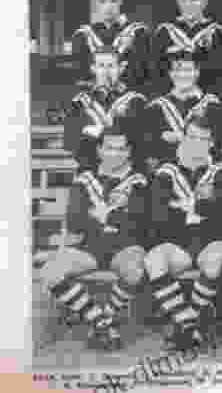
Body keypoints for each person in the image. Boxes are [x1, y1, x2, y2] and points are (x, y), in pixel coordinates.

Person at [39, 125, 148, 351]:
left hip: (125, 246)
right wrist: (117, 216)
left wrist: (101, 215)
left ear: (128, 151)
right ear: (99, 150)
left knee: (136, 270)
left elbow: (139, 220)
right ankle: (102, 322)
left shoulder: (139, 181)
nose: (114, 154)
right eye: (109, 148)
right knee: (50, 271)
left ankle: (103, 320)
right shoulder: (84, 179)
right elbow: (73, 220)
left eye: (120, 149)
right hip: (90, 247)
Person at [145, 116, 222, 352]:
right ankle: (191, 325)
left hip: (209, 241)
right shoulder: (166, 171)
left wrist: (184, 206)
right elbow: (157, 215)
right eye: (192, 137)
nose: (197, 143)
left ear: (212, 143)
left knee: (215, 258)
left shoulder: (221, 171)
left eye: (204, 139)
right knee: (154, 259)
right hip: (177, 243)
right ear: (182, 138)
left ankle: (184, 326)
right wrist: (199, 209)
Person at [64, 47, 147, 172]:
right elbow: (70, 141)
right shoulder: (79, 102)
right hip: (90, 170)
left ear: (121, 68)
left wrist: (95, 132)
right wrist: (115, 130)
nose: (106, 72)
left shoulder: (136, 100)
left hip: (127, 171)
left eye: (111, 66)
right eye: (101, 66)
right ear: (93, 69)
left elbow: (137, 138)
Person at [143, 51, 222, 171]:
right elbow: (150, 147)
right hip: (168, 173)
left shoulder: (212, 105)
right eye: (177, 70)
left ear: (197, 73)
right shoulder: (156, 108)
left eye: (188, 70)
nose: (182, 75)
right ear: (171, 74)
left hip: (203, 170)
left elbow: (219, 142)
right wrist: (163, 139)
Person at [153, 0, 222, 96]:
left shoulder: (217, 32)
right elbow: (158, 70)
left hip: (206, 96)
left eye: (194, 0)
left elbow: (219, 71)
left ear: (204, 2)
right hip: (172, 96)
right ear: (178, 1)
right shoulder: (164, 31)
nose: (188, 5)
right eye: (184, 0)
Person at [71, 0, 151, 90]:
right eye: (102, 1)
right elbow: (80, 76)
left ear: (120, 1)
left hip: (128, 98)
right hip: (94, 100)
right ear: (96, 3)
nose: (108, 7)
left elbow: (142, 74)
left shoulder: (138, 33)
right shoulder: (82, 36)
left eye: (113, 1)